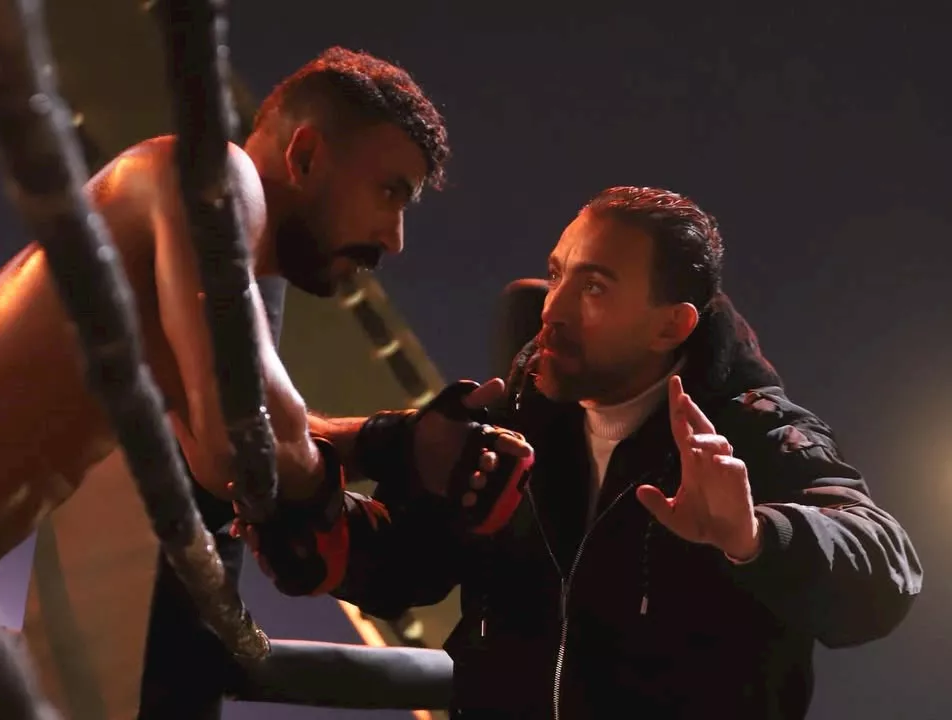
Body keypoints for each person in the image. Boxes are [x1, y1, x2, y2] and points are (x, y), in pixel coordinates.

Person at [0, 46, 528, 718]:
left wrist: (394, 442)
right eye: (390, 192)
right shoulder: (213, 181)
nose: (395, 237)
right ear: (305, 155)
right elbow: (243, 436)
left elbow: (223, 446)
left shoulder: (183, 283)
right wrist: (352, 530)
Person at [250, 186, 924, 718]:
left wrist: (753, 535)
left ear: (671, 325)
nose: (554, 308)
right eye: (558, 273)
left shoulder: (749, 433)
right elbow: (406, 570)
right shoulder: (521, 415)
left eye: (595, 287)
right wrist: (309, 504)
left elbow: (884, 570)